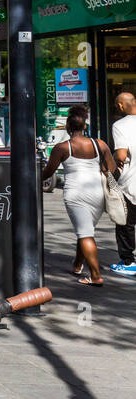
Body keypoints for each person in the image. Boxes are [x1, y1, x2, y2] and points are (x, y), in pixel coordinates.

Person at [41, 105, 119, 286]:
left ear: (68, 126)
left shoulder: (62, 147)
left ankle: (95, 275)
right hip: (97, 193)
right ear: (84, 126)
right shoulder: (99, 144)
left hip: (76, 194)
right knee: (85, 229)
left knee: (85, 233)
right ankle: (77, 263)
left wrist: (32, 181)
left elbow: (48, 172)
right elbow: (112, 169)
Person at [112, 92, 136, 276]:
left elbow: (121, 156)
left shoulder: (120, 125)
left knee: (125, 223)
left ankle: (128, 261)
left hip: (131, 183)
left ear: (121, 106)